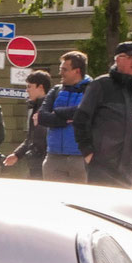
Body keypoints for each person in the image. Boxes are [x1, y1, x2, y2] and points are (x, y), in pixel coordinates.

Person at [75, 41, 132, 187]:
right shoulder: (101, 84)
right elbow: (81, 119)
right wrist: (87, 152)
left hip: (127, 167)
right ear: (118, 59)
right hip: (101, 165)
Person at [35, 52, 92, 183]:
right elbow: (42, 117)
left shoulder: (92, 89)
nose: (60, 73)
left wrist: (57, 113)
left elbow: (83, 113)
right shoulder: (56, 90)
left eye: (64, 70)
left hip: (80, 158)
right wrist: (66, 119)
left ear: (77, 71)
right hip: (53, 157)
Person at [3, 69, 53, 179]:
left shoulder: (49, 108)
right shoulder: (34, 107)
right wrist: (17, 154)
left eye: (29, 87)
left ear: (40, 87)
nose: (27, 90)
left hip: (44, 164)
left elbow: (42, 139)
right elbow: (31, 138)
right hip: (35, 163)